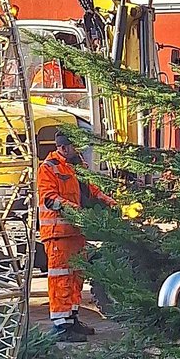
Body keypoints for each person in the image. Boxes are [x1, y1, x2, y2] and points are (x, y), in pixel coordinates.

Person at [36, 129, 117, 342]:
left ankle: (72, 318)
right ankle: (62, 326)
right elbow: (50, 198)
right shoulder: (49, 168)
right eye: (75, 146)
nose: (79, 149)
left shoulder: (78, 167)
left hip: (76, 233)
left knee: (75, 278)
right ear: (63, 147)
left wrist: (109, 203)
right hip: (58, 234)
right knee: (61, 279)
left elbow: (91, 192)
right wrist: (75, 211)